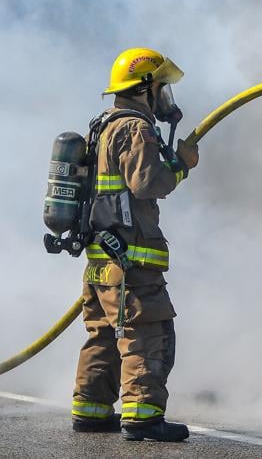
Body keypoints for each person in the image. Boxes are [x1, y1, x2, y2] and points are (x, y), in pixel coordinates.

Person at [71, 48, 199, 442]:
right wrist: (182, 164)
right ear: (145, 87)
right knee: (146, 332)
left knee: (104, 334)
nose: (165, 96)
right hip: (130, 260)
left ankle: (91, 410)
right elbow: (148, 183)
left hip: (101, 260)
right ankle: (143, 418)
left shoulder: (103, 125)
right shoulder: (135, 129)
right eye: (162, 86)